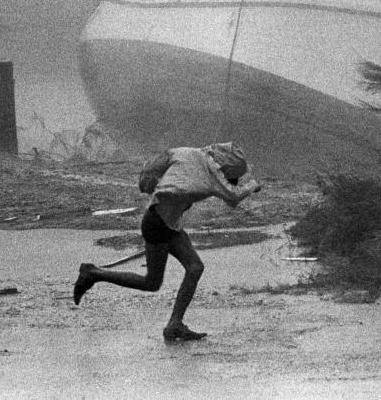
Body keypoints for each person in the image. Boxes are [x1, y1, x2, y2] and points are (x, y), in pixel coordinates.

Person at [72, 142, 261, 342]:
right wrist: (252, 186)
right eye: (231, 174)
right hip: (158, 226)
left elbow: (156, 163)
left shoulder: (188, 152)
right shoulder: (213, 175)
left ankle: (175, 324)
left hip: (164, 222)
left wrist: (147, 183)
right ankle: (93, 273)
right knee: (151, 282)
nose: (230, 178)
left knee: (195, 267)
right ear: (227, 166)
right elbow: (233, 197)